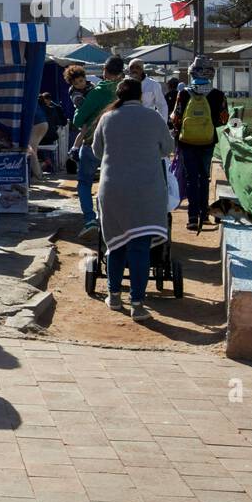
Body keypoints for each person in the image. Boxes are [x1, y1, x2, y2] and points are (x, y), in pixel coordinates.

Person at [92, 78, 175, 321]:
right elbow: (167, 148)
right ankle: (137, 304)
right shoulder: (153, 118)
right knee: (139, 247)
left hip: (113, 190)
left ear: (118, 95)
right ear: (141, 95)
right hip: (147, 191)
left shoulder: (107, 118)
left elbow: (98, 151)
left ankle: (114, 295)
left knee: (115, 244)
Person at [170, 54, 228, 231]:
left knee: (190, 178)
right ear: (212, 75)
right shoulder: (218, 95)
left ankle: (192, 217)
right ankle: (204, 213)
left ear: (191, 73)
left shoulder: (183, 93)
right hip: (207, 142)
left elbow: (176, 118)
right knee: (204, 178)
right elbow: (223, 120)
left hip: (186, 142)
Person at [71, 54, 125, 237]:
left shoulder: (99, 91)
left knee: (85, 182)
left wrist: (79, 109)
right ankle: (115, 220)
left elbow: (78, 120)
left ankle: (90, 220)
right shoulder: (127, 89)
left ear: (104, 70)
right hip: (119, 144)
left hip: (93, 143)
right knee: (114, 183)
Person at [28, 94, 49, 179]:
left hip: (37, 124)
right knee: (33, 150)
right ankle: (37, 173)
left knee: (32, 151)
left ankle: (38, 174)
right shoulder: (33, 100)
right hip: (42, 123)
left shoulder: (27, 100)